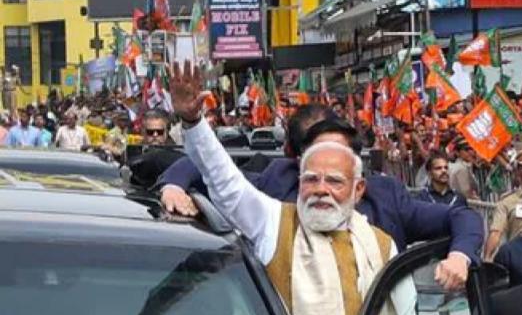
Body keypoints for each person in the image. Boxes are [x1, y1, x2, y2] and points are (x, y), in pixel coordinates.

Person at [169, 61, 417, 315]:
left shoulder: (381, 245)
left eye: (334, 181)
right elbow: (227, 185)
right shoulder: (275, 223)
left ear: (358, 189)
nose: (320, 190)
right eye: (311, 179)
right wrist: (194, 124)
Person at [158, 103, 483, 291]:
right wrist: (173, 186)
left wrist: (459, 258)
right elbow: (215, 174)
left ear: (358, 182)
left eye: (338, 169)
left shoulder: (386, 211)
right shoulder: (272, 202)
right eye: (314, 173)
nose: (322, 187)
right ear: (298, 165)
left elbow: (462, 216)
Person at [483, 147, 522, 261]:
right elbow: (496, 232)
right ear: (517, 171)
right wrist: (487, 259)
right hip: (520, 258)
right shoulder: (507, 201)